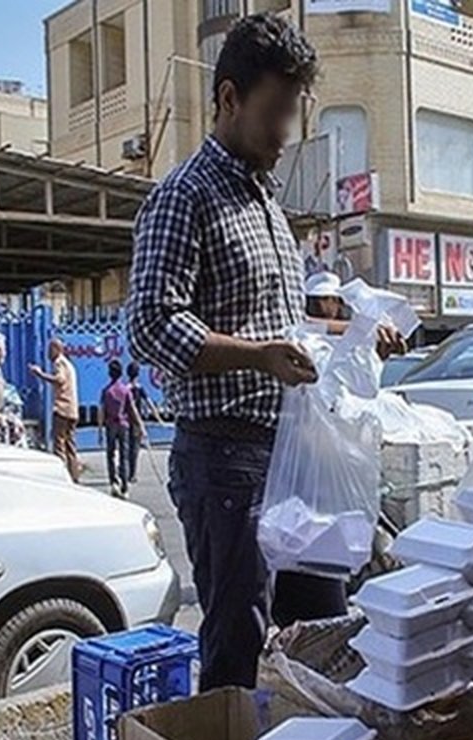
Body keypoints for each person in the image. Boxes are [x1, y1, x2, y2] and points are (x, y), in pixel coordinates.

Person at [127, 13, 402, 691]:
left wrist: (354, 336)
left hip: (291, 455)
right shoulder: (183, 198)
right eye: (274, 113)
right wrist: (258, 357)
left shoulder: (269, 208)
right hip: (224, 461)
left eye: (293, 114)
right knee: (237, 638)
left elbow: (282, 331)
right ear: (227, 99)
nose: (286, 134)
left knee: (324, 628)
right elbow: (151, 325)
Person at [30, 338, 80, 482]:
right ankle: (74, 476)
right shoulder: (69, 364)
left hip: (62, 409)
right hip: (72, 409)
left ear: (57, 349)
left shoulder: (59, 362)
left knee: (59, 445)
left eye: (50, 350)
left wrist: (40, 374)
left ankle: (62, 478)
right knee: (71, 445)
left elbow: (59, 379)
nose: (48, 354)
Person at [98, 358, 142, 498]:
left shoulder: (106, 391)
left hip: (110, 425)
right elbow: (132, 409)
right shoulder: (125, 391)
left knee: (111, 455)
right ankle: (124, 486)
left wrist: (100, 429)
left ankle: (113, 482)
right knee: (124, 455)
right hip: (123, 425)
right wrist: (140, 425)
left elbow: (101, 410)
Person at [126, 361, 150, 483]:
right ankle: (132, 473)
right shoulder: (139, 388)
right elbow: (148, 402)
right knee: (135, 448)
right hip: (137, 421)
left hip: (127, 420)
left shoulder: (126, 388)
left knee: (128, 447)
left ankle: (127, 472)